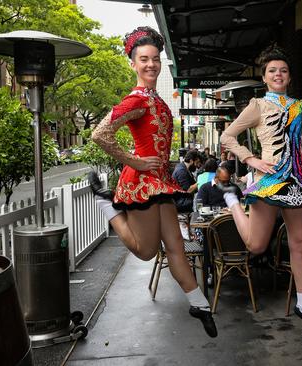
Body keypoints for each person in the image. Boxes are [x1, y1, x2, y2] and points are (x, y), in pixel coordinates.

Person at [87, 26, 217, 338]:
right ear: (132, 63)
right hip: (141, 184)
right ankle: (108, 205)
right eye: (144, 59)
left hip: (161, 182)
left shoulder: (155, 97)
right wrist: (133, 161)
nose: (151, 65)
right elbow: (99, 134)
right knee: (146, 253)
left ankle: (198, 303)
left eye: (155, 59)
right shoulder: (135, 100)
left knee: (176, 248)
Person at [219, 45, 302, 331]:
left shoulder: (299, 106)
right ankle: (232, 202)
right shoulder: (257, 106)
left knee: (300, 244)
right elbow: (228, 136)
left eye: (283, 70)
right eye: (272, 71)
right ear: (265, 78)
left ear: (289, 77)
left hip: (298, 181)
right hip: (268, 180)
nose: (278, 75)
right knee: (256, 245)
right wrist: (251, 158)